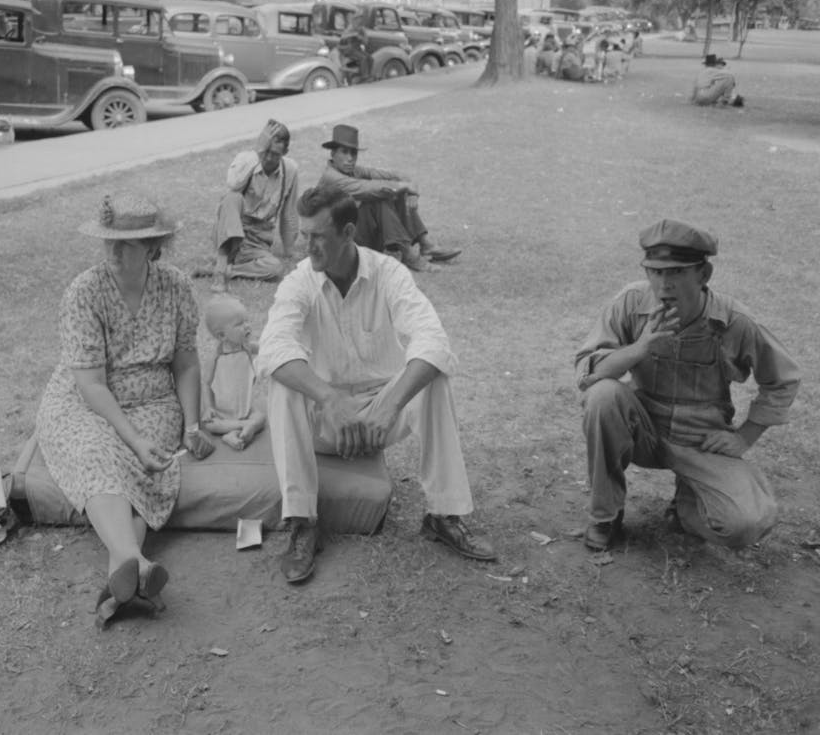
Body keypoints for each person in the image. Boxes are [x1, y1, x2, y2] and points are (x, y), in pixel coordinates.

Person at [257, 185, 497, 583]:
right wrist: (329, 397)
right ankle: (302, 521)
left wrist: (388, 408)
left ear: (349, 233)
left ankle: (444, 514)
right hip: (328, 418)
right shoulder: (300, 281)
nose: (308, 247)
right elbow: (272, 348)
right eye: (305, 235)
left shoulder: (388, 273)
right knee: (283, 384)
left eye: (319, 236)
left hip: (379, 416)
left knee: (433, 375)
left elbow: (433, 340)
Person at [35, 192, 216, 629]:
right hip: (86, 401)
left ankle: (125, 570)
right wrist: (131, 438)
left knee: (145, 465)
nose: (114, 252)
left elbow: (186, 362)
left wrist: (192, 424)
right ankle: (134, 560)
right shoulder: (85, 291)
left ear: (153, 248)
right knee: (100, 453)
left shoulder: (175, 286)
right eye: (109, 242)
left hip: (154, 401)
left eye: (127, 244)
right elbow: (91, 385)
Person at [574, 219, 800, 552]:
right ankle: (606, 516)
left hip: (701, 439)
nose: (664, 284)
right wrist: (641, 348)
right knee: (603, 395)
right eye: (656, 272)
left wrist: (744, 437)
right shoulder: (631, 303)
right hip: (644, 428)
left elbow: (783, 380)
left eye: (677, 272)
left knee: (745, 525)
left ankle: (686, 508)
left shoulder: (735, 321)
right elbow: (588, 373)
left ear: (703, 275)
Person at [317, 124, 461, 271]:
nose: (350, 158)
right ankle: (410, 255)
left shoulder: (354, 171)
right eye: (344, 152)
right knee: (379, 197)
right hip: (340, 243)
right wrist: (402, 186)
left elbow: (394, 175)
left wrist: (410, 189)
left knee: (392, 191)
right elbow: (367, 189)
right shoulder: (331, 177)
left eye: (354, 153)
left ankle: (426, 245)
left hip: (356, 234)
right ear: (333, 153)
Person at [206, 119, 299, 292]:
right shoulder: (247, 159)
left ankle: (229, 270)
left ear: (285, 151)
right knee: (232, 198)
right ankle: (220, 266)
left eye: (275, 154)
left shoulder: (291, 170)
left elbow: (289, 212)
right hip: (231, 233)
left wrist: (289, 251)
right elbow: (233, 185)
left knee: (275, 268)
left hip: (257, 243)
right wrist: (258, 151)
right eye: (267, 151)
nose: (269, 158)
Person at [201, 294, 266, 451]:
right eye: (239, 324)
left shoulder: (248, 348)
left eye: (247, 321)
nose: (247, 326)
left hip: (245, 407)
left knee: (260, 417)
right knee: (211, 425)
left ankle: (234, 433)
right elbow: (206, 383)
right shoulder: (215, 356)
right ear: (222, 335)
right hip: (222, 410)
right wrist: (209, 407)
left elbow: (268, 348)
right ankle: (245, 426)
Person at [337, 13, 374, 84]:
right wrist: (354, 35)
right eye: (358, 18)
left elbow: (366, 42)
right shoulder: (350, 28)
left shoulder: (362, 29)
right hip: (349, 49)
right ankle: (364, 77)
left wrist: (361, 38)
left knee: (370, 58)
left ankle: (369, 75)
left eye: (361, 19)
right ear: (355, 19)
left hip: (357, 49)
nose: (360, 20)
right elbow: (343, 37)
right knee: (363, 58)